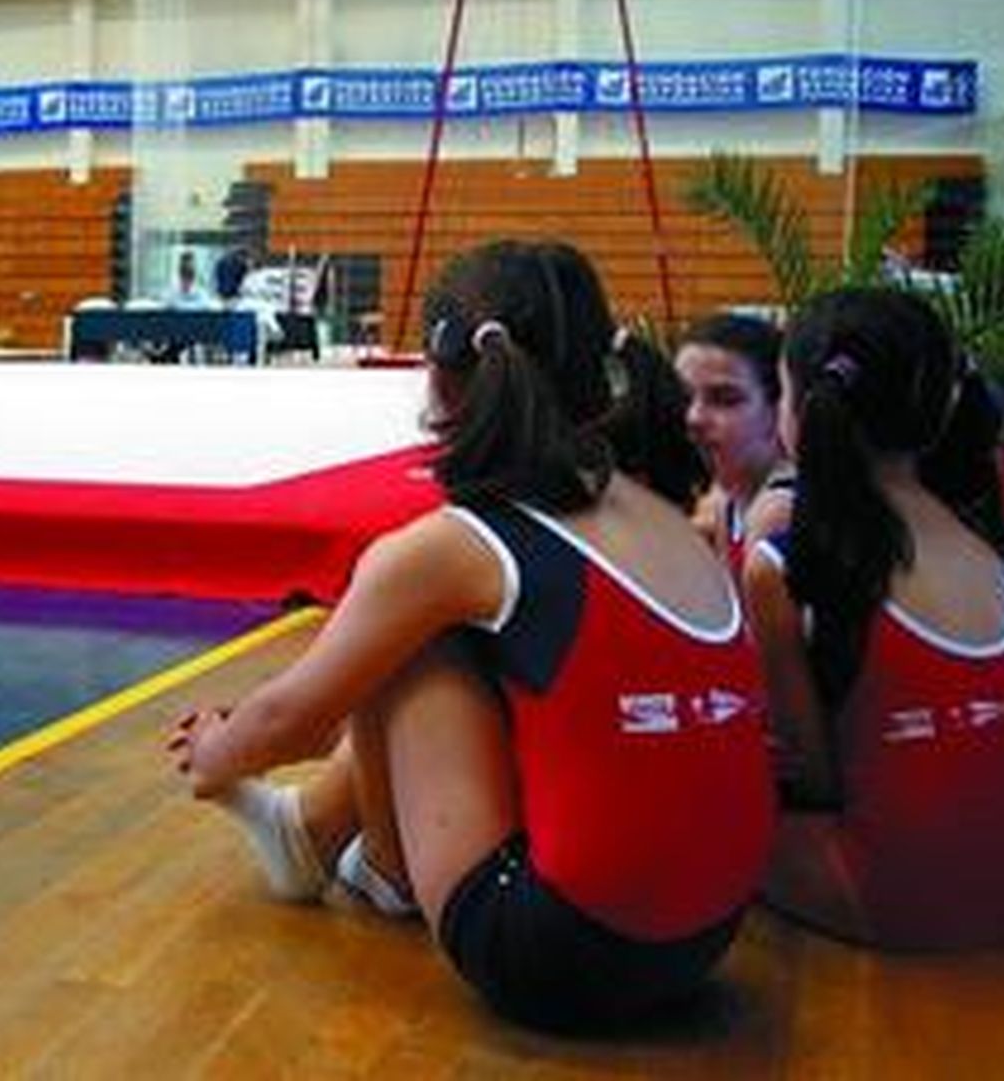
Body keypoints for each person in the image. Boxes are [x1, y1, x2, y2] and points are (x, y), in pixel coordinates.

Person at [167, 240, 774, 1034]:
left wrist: (216, 751)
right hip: (705, 934)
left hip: (564, 954)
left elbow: (295, 722)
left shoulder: (453, 548)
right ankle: (311, 834)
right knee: (482, 625)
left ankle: (384, 870)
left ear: (441, 372)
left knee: (412, 624)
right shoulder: (662, 512)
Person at [743, 287, 1004, 949]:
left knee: (703, 822)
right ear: (940, 407)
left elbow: (812, 775)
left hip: (909, 891)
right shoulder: (994, 546)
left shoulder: (781, 562)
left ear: (801, 408)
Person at [674, 311, 794, 577]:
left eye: (724, 399)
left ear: (779, 407)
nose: (694, 417)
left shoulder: (778, 511)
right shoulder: (726, 496)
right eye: (683, 396)